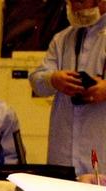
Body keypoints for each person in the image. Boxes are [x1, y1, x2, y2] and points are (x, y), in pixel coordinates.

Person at [30, 0, 106, 176]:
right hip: (63, 153)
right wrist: (53, 79)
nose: (74, 7)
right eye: (71, 2)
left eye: (80, 1)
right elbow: (36, 81)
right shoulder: (62, 39)